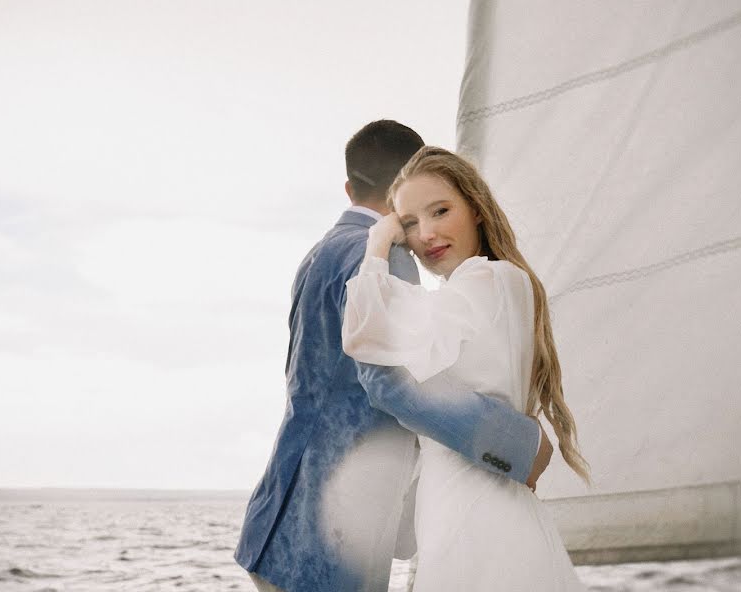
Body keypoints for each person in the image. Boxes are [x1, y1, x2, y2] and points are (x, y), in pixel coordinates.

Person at [234, 121, 555, 592]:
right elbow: (391, 383)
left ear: (350, 187)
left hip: (279, 518)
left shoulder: (317, 256)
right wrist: (519, 445)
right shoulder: (381, 259)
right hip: (333, 537)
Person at [342, 145, 591, 591]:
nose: (428, 234)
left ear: (476, 209)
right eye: (412, 223)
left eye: (441, 211)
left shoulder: (487, 280)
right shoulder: (494, 286)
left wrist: (379, 244)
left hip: (476, 518)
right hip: (474, 509)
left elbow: (365, 333)